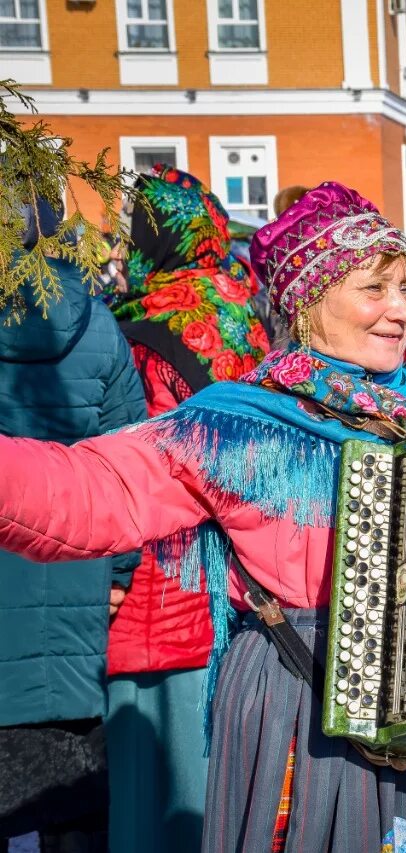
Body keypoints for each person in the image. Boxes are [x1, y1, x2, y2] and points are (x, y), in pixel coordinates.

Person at [0, 182, 406, 853]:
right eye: (375, 290)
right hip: (309, 711)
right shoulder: (239, 425)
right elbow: (94, 489)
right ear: (311, 299)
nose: (402, 311)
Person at [105, 165, 269, 853]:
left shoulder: (139, 324)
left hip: (152, 578)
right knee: (215, 780)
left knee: (148, 779)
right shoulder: (243, 317)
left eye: (127, 232)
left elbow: (125, 453)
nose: (118, 250)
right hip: (234, 578)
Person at [0, 194, 147, 852]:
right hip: (74, 598)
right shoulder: (99, 322)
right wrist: (118, 575)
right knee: (75, 816)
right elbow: (130, 461)